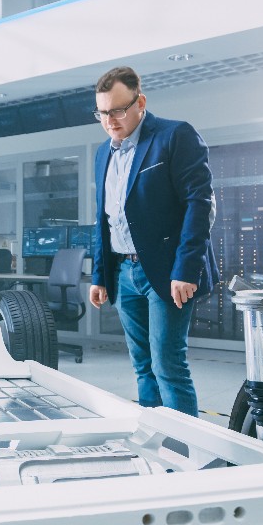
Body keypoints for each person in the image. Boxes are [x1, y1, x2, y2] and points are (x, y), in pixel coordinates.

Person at [88, 66, 218, 417]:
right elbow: (105, 217)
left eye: (118, 110)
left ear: (140, 102)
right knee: (143, 366)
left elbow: (199, 205)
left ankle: (190, 456)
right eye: (102, 113)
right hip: (123, 272)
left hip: (166, 272)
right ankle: (159, 444)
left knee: (168, 366)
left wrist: (187, 269)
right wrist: (100, 275)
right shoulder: (103, 153)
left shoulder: (175, 136)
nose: (110, 120)